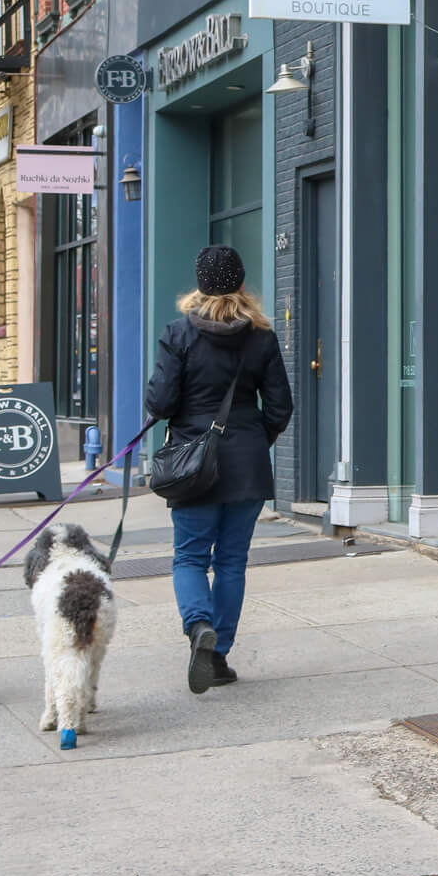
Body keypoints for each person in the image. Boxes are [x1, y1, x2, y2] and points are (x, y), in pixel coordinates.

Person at [144, 245, 292, 694]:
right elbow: (281, 406)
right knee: (231, 561)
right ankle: (219, 654)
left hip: (193, 465)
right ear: (241, 283)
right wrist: (252, 441)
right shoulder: (261, 336)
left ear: (200, 283)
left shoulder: (178, 333)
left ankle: (198, 627)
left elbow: (161, 402)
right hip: (246, 463)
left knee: (190, 556)